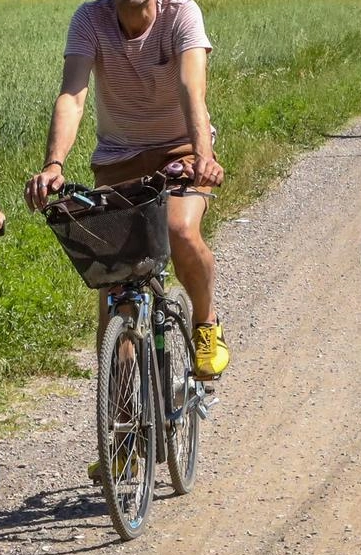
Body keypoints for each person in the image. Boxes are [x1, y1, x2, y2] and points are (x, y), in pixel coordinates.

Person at [23, 0, 230, 381]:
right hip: (118, 160)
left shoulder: (181, 12)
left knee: (180, 229)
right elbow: (73, 95)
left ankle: (205, 322)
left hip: (181, 152)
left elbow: (191, 88)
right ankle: (119, 419)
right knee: (115, 285)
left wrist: (203, 155)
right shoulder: (90, 18)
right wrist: (54, 163)